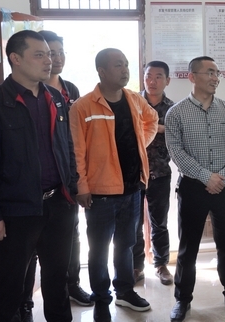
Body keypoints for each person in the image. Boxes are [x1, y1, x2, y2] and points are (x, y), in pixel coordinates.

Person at [0, 30, 77, 322]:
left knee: (58, 279)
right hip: (17, 210)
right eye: (40, 55)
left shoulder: (55, 98)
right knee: (11, 283)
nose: (49, 61)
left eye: (50, 54)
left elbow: (67, 148)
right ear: (16, 59)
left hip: (58, 204)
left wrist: (72, 188)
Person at [69, 48, 158, 322]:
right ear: (102, 71)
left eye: (126, 64)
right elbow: (76, 151)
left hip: (132, 188)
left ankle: (125, 291)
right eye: (118, 65)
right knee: (99, 249)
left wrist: (140, 144)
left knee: (127, 244)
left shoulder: (134, 99)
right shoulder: (82, 106)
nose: (125, 69)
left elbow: (152, 120)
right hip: (100, 193)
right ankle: (101, 298)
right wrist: (82, 186)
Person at [165, 56, 225, 322]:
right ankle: (182, 300)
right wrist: (205, 177)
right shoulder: (176, 113)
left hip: (224, 186)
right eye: (209, 72)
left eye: (217, 73)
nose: (215, 78)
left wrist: (221, 177)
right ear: (192, 77)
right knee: (188, 249)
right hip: (192, 187)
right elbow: (176, 152)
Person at [18, 30, 91, 322]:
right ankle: (24, 302)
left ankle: (71, 288)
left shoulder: (66, 92)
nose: (53, 59)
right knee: (23, 260)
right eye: (46, 53)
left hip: (61, 192)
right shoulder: (6, 99)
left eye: (57, 53)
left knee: (64, 254)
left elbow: (72, 141)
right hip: (24, 199)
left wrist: (74, 184)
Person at [133, 60, 175, 286]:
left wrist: (157, 127)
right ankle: (136, 266)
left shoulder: (173, 108)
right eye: (149, 76)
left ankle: (161, 264)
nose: (152, 81)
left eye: (158, 76)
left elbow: (179, 134)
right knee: (134, 223)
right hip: (134, 172)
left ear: (167, 80)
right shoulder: (132, 102)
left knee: (159, 222)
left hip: (160, 172)